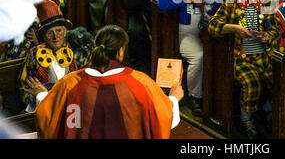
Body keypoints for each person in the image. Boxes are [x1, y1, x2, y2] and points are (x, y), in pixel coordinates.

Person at [34, 24, 184, 139]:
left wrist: (41, 95)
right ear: (120, 52)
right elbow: (164, 117)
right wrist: (174, 98)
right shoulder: (141, 82)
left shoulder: (69, 83)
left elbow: (46, 117)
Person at [208, 0, 277, 139]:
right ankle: (246, 120)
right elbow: (212, 25)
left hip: (264, 57)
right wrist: (236, 29)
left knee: (280, 80)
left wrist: (268, 36)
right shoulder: (231, 2)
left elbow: (275, 30)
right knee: (252, 83)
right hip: (242, 58)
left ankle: (267, 111)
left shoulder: (266, 3)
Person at [159, 0, 220, 117]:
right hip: (183, 33)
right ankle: (195, 96)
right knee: (198, 57)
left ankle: (215, 98)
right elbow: (162, 2)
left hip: (206, 31)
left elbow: (219, 9)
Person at [18, 0, 76, 113]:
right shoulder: (34, 54)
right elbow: (24, 90)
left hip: (72, 107)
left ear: (65, 32)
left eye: (59, 31)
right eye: (50, 33)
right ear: (44, 36)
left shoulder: (75, 51)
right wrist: (39, 95)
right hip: (42, 109)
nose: (56, 37)